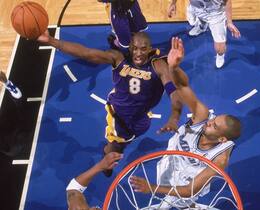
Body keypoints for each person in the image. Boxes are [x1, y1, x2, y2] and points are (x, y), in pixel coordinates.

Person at [37, 31, 182, 176]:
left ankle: (121, 143)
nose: (138, 53)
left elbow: (174, 92)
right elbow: (86, 53)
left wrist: (174, 117)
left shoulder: (158, 66)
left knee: (126, 139)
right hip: (118, 116)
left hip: (141, 117)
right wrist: (51, 40)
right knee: (115, 148)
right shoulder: (118, 58)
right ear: (129, 47)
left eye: (143, 49)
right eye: (135, 48)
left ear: (150, 49)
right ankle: (107, 161)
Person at [129, 37, 241, 208]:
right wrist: (173, 67)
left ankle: (187, 206)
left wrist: (152, 188)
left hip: (190, 182)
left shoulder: (220, 159)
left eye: (215, 126)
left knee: (179, 202)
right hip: (169, 163)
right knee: (169, 200)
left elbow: (190, 189)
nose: (210, 122)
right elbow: (182, 86)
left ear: (222, 139)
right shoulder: (202, 116)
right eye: (214, 119)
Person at [168, 0, 241, 68]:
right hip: (195, 8)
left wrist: (229, 22)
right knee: (192, 22)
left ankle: (220, 55)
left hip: (215, 14)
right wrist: (173, 3)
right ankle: (202, 27)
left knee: (220, 49)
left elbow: (227, 1)